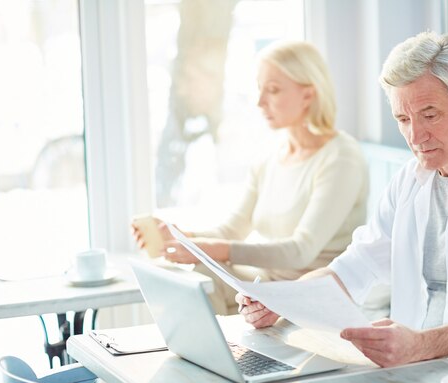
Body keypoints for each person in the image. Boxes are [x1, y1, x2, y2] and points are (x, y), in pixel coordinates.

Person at [237, 31, 448, 383]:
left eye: (430, 115)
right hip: (415, 374)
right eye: (403, 119)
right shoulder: (410, 181)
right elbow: (353, 269)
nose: (416, 136)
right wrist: (284, 301)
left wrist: (422, 345)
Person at [133, 40, 369, 315]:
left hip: (312, 296)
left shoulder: (341, 157)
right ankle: (210, 356)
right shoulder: (270, 158)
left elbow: (300, 251)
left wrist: (214, 249)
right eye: (260, 88)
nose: (260, 102)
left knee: (206, 270)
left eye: (273, 90)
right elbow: (232, 231)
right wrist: (180, 236)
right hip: (268, 285)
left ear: (308, 95)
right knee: (195, 276)